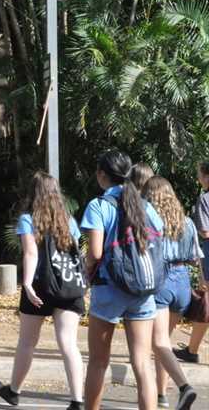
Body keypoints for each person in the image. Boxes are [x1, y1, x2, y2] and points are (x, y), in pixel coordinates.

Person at [0, 172, 85, 410]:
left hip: (41, 285)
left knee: (27, 342)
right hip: (68, 285)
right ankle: (77, 400)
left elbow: (31, 253)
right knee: (69, 344)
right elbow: (75, 254)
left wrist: (27, 284)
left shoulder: (28, 219)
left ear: (33, 193)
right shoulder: (69, 221)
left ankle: (14, 391)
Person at [81, 150, 165, 410]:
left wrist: (85, 271)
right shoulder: (146, 206)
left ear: (102, 175)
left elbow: (95, 253)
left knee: (98, 362)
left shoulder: (99, 206)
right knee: (142, 362)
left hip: (109, 289)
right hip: (143, 290)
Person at [142, 176, 199, 410]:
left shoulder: (151, 221)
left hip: (162, 281)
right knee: (164, 340)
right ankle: (162, 395)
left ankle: (185, 387)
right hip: (183, 281)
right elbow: (197, 258)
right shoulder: (187, 222)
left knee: (159, 343)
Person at [173, 160, 209, 364]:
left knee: (207, 303)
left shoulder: (205, 199)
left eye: (199, 174)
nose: (198, 178)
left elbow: (204, 231)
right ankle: (192, 349)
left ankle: (192, 350)